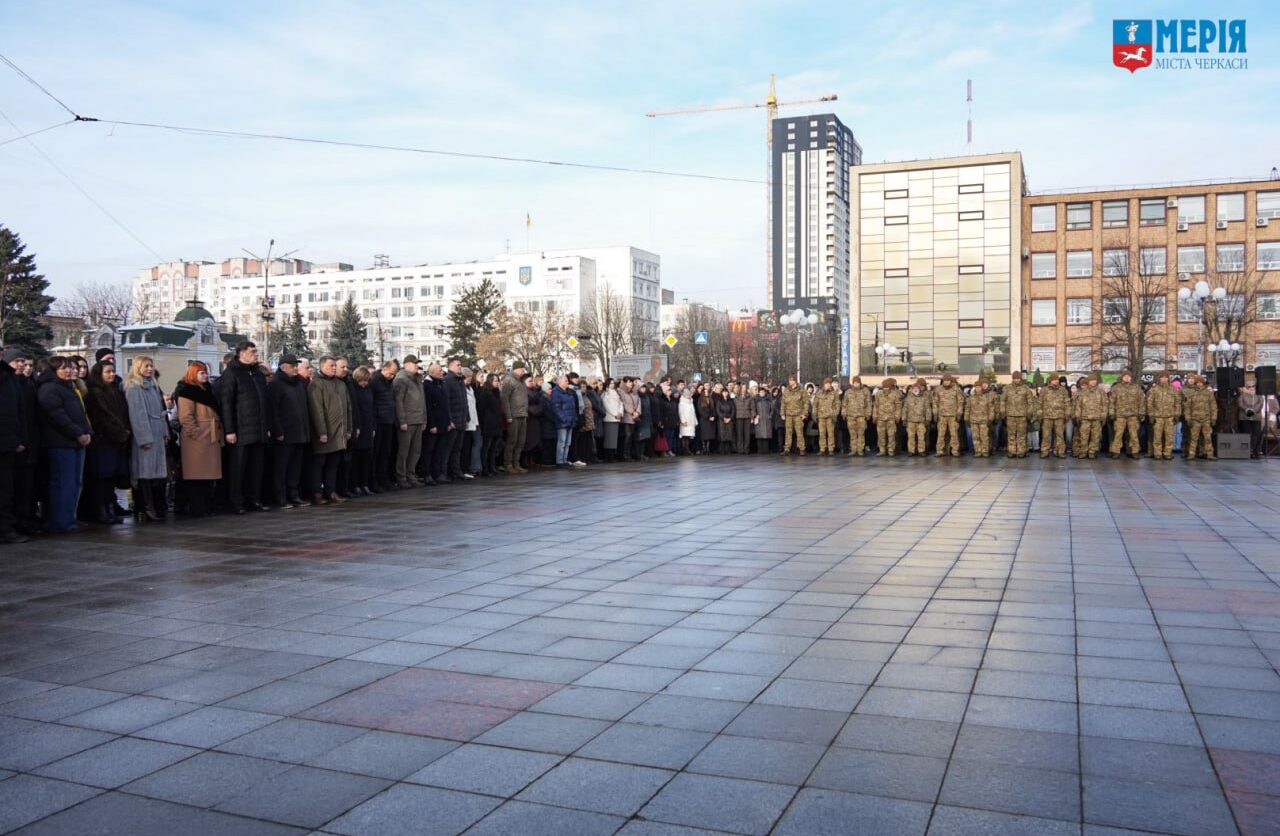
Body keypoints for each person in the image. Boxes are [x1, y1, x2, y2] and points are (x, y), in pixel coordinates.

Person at [37, 356, 92, 534]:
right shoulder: (49, 389)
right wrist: (78, 433)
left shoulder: (69, 388)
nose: (69, 371)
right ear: (54, 371)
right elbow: (58, 416)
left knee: (75, 483)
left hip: (75, 443)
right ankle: (60, 522)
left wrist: (87, 433)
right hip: (60, 443)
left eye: (70, 368)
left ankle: (69, 518)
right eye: (64, 368)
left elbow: (80, 415)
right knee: (62, 483)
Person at [216, 341, 270, 514]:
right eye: (252, 351)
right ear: (242, 354)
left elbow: (264, 403)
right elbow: (227, 403)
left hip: (258, 430)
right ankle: (236, 502)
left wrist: (266, 427)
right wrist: (230, 430)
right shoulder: (232, 373)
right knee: (238, 469)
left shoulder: (257, 374)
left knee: (256, 469)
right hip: (240, 431)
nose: (256, 354)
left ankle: (253, 499)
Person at [174, 360, 224, 516]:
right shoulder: (187, 391)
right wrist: (195, 433)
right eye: (202, 372)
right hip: (197, 438)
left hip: (209, 436)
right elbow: (186, 416)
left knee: (206, 476)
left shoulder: (206, 390)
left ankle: (205, 506)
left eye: (206, 372)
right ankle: (197, 507)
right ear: (193, 373)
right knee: (196, 475)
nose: (206, 375)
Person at [83, 361, 131, 525]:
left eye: (113, 371)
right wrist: (118, 432)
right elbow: (102, 418)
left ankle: (110, 508)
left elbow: (122, 415)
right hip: (103, 440)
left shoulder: (115, 392)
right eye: (107, 372)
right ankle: (101, 510)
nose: (112, 375)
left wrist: (124, 431)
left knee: (111, 477)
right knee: (101, 477)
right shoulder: (95, 393)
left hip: (116, 440)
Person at [124, 356, 170, 522]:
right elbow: (138, 416)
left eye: (151, 366)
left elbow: (161, 412)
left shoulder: (153, 387)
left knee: (157, 474)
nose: (150, 369)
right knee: (144, 473)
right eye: (146, 366)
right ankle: (145, 508)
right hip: (146, 436)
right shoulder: (134, 388)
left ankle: (157, 507)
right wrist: (144, 438)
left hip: (157, 433)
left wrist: (165, 432)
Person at [265, 353, 310, 507]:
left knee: (295, 467)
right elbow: (273, 410)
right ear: (283, 367)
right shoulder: (276, 384)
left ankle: (294, 494)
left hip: (300, 432)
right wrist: (278, 431)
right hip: (284, 434)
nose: (296, 368)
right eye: (293, 366)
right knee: (281, 468)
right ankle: (281, 497)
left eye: (296, 365)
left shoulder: (298, 383)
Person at [308, 355, 351, 504]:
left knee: (334, 463)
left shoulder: (340, 384)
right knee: (319, 464)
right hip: (325, 433)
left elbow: (348, 408)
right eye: (331, 365)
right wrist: (322, 431)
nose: (334, 368)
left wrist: (348, 428)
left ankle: (330, 491)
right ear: (322, 366)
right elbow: (316, 409)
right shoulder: (316, 384)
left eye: (335, 365)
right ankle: (317, 493)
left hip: (339, 432)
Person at [0, 352, 31, 543]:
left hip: (6, 443)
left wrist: (17, 439)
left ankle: (5, 528)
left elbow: (15, 413)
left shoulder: (8, 378)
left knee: (5, 489)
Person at [392, 355, 426, 488]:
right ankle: (401, 477)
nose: (416, 365)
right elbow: (398, 402)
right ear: (406, 364)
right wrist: (402, 420)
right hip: (408, 421)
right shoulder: (401, 379)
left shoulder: (417, 379)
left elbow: (422, 402)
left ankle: (411, 475)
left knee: (415, 451)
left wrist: (424, 419)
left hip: (418, 419)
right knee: (404, 451)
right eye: (414, 363)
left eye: (417, 363)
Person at [370, 360, 398, 491]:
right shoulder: (375, 381)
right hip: (379, 421)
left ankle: (384, 478)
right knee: (377, 453)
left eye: (394, 374)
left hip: (389, 421)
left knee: (386, 453)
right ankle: (374, 480)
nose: (392, 377)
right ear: (385, 369)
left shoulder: (389, 382)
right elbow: (373, 402)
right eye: (391, 374)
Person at [349, 366, 377, 494]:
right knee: (357, 459)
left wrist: (373, 427)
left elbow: (372, 408)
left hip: (368, 426)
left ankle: (364, 483)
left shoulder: (368, 390)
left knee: (367, 458)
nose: (365, 383)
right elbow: (355, 409)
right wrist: (357, 427)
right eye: (364, 380)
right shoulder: (353, 389)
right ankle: (356, 484)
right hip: (359, 427)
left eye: (367, 380)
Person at [425, 362, 453, 483]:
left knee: (439, 450)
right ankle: (427, 473)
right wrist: (432, 424)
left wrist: (448, 421)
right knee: (429, 450)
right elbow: (428, 406)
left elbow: (445, 405)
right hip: (434, 424)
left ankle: (438, 473)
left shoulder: (440, 384)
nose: (442, 372)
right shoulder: (427, 385)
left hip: (443, 423)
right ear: (432, 372)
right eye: (440, 371)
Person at [443, 357, 469, 481]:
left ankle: (456, 471)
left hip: (461, 420)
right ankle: (445, 472)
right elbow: (446, 402)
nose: (460, 367)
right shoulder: (448, 380)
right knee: (448, 449)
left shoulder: (459, 381)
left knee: (457, 449)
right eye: (458, 365)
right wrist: (449, 420)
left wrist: (466, 417)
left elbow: (464, 401)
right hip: (453, 421)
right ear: (451, 366)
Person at [1109, 371, 1145, 459]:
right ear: (1122, 377)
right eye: (1125, 376)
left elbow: (1141, 402)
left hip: (1133, 415)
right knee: (1118, 434)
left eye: (1129, 376)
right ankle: (1115, 451)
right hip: (1120, 415)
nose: (1127, 378)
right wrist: (1111, 413)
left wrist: (1141, 413)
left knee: (1134, 435)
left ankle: (1134, 451)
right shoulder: (1116, 388)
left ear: (1131, 378)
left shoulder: (1137, 388)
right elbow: (1111, 402)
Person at [1146, 371, 1182, 461]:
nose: (1164, 379)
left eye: (1166, 377)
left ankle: (1167, 453)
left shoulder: (1173, 389)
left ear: (1168, 379)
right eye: (1162, 377)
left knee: (1169, 437)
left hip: (1170, 417)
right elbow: (1149, 403)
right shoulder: (1154, 389)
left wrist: (1177, 414)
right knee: (1157, 436)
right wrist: (1151, 415)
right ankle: (1157, 453)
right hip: (1158, 417)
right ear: (1159, 379)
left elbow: (1177, 403)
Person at [501, 362, 529, 474]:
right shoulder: (509, 380)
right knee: (512, 441)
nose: (523, 371)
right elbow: (505, 399)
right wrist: (508, 415)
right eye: (522, 369)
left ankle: (516, 463)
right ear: (516, 369)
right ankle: (508, 464)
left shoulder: (521, 381)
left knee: (521, 441)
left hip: (523, 414)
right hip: (513, 415)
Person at [475, 372, 506, 476]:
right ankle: (485, 468)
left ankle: (492, 466)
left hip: (496, 423)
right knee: (486, 447)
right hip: (489, 424)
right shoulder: (485, 393)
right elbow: (481, 410)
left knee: (494, 447)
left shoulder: (496, 393)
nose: (497, 383)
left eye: (498, 381)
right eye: (495, 381)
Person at [1001, 371, 1036, 458]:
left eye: (1018, 378)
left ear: (1020, 379)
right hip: (1010, 415)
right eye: (1014, 378)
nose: (1016, 380)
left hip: (1022, 416)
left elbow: (1030, 402)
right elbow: (1002, 401)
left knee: (1022, 434)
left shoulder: (1026, 388)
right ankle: (1012, 451)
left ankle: (1022, 451)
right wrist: (1003, 413)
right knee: (1011, 434)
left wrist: (1029, 413)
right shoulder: (1007, 388)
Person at [1183, 374, 1218, 460]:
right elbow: (1187, 407)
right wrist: (1188, 418)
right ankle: (1191, 454)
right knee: (1193, 438)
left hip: (1206, 419)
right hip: (1195, 419)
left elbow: (1213, 406)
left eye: (1200, 382)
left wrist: (1213, 418)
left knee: (1207, 438)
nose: (1199, 384)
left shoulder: (1208, 393)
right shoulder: (1191, 393)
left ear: (1203, 383)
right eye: (1197, 382)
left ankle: (1210, 454)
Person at [1073, 376, 1107, 459]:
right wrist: (1077, 417)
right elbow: (1078, 406)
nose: (1093, 382)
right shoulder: (1083, 392)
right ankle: (1083, 451)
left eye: (1095, 380)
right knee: (1083, 436)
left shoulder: (1101, 392)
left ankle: (1092, 451)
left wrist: (1103, 416)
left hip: (1097, 418)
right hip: (1084, 418)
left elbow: (1104, 405)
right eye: (1091, 380)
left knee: (1095, 436)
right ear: (1088, 382)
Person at [1038, 375, 1071, 459]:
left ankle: (1059, 451)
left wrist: (1067, 414)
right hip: (1047, 416)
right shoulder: (1044, 390)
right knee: (1046, 435)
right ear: (1050, 381)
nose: (1056, 381)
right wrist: (1040, 414)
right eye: (1054, 380)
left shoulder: (1063, 390)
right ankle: (1045, 451)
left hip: (1059, 416)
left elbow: (1067, 403)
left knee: (1060, 435)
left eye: (1057, 380)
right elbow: (1040, 403)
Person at [932, 374, 964, 457]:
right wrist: (935, 413)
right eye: (945, 380)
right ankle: (939, 451)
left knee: (954, 434)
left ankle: (955, 450)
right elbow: (935, 402)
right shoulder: (938, 389)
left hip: (953, 416)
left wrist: (959, 413)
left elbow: (960, 402)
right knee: (941, 434)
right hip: (941, 415)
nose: (946, 382)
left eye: (948, 380)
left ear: (950, 381)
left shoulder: (956, 389)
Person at [550, 375, 578, 468]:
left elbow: (573, 407)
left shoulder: (569, 392)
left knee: (568, 442)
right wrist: (564, 419)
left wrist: (573, 418)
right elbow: (556, 408)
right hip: (562, 421)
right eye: (566, 381)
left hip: (570, 420)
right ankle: (559, 461)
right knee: (562, 442)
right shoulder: (556, 392)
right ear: (560, 382)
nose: (568, 382)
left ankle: (565, 460)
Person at [965, 379, 997, 457]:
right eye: (976, 387)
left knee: (984, 436)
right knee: (975, 437)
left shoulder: (986, 397)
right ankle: (978, 451)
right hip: (973, 420)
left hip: (984, 420)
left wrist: (990, 418)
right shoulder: (970, 398)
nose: (978, 388)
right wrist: (966, 419)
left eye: (979, 387)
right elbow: (967, 409)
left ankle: (985, 451)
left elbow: (991, 409)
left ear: (981, 388)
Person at [841, 376, 872, 457]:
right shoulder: (848, 392)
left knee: (861, 433)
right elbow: (844, 403)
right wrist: (844, 413)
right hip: (850, 416)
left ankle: (860, 449)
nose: (856, 384)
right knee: (852, 434)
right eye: (854, 383)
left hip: (861, 416)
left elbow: (869, 403)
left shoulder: (865, 391)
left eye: (857, 383)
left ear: (860, 383)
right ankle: (853, 449)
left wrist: (868, 414)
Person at [873, 378, 904, 457]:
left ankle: (891, 450)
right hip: (880, 418)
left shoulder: (895, 394)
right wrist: (875, 416)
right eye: (884, 387)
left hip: (891, 418)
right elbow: (876, 406)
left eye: (887, 387)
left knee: (891, 435)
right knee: (881, 435)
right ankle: (882, 450)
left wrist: (897, 417)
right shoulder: (878, 394)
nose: (886, 388)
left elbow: (898, 406)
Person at [902, 378, 932, 456]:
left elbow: (928, 409)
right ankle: (911, 451)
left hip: (921, 421)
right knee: (911, 437)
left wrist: (928, 419)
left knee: (921, 437)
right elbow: (905, 409)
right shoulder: (908, 398)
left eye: (917, 388)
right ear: (912, 389)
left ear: (919, 389)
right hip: (910, 420)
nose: (915, 390)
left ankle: (921, 451)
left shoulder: (924, 398)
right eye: (914, 388)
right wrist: (904, 419)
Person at [813, 378, 840, 455]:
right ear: (824, 384)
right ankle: (822, 449)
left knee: (831, 433)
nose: (827, 385)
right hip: (821, 416)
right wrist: (815, 414)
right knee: (822, 433)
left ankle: (831, 449)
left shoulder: (834, 393)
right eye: (826, 384)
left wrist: (835, 414)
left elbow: (837, 405)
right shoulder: (819, 393)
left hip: (830, 417)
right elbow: (815, 405)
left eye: (829, 384)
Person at [619, 378, 641, 460]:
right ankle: (625, 455)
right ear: (624, 383)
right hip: (627, 417)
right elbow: (624, 404)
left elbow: (639, 402)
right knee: (627, 436)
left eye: (632, 382)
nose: (631, 383)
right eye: (629, 382)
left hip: (635, 417)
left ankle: (630, 454)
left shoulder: (634, 392)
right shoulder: (622, 391)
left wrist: (637, 412)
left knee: (631, 436)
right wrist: (632, 412)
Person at [601, 378, 622, 461]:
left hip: (617, 417)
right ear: (607, 384)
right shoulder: (605, 394)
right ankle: (608, 456)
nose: (612, 385)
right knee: (609, 438)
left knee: (614, 438)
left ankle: (613, 454)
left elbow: (621, 403)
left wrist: (620, 412)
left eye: (613, 383)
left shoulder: (616, 392)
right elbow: (606, 406)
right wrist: (615, 414)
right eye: (611, 383)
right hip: (609, 418)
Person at [753, 385, 774, 454]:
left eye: (763, 392)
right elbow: (753, 409)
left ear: (765, 392)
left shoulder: (769, 399)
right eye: (760, 392)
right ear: (759, 393)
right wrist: (755, 415)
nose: (762, 393)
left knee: (766, 435)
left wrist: (770, 416)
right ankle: (760, 450)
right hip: (758, 418)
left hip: (767, 419)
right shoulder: (756, 399)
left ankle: (766, 450)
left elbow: (772, 409)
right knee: (759, 435)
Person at [678, 388, 698, 455]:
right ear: (684, 395)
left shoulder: (691, 402)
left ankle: (687, 448)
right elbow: (681, 412)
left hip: (691, 421)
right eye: (687, 395)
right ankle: (684, 449)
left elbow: (693, 413)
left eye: (689, 395)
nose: (689, 396)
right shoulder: (682, 403)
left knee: (688, 436)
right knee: (684, 436)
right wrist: (683, 421)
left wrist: (695, 421)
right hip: (685, 422)